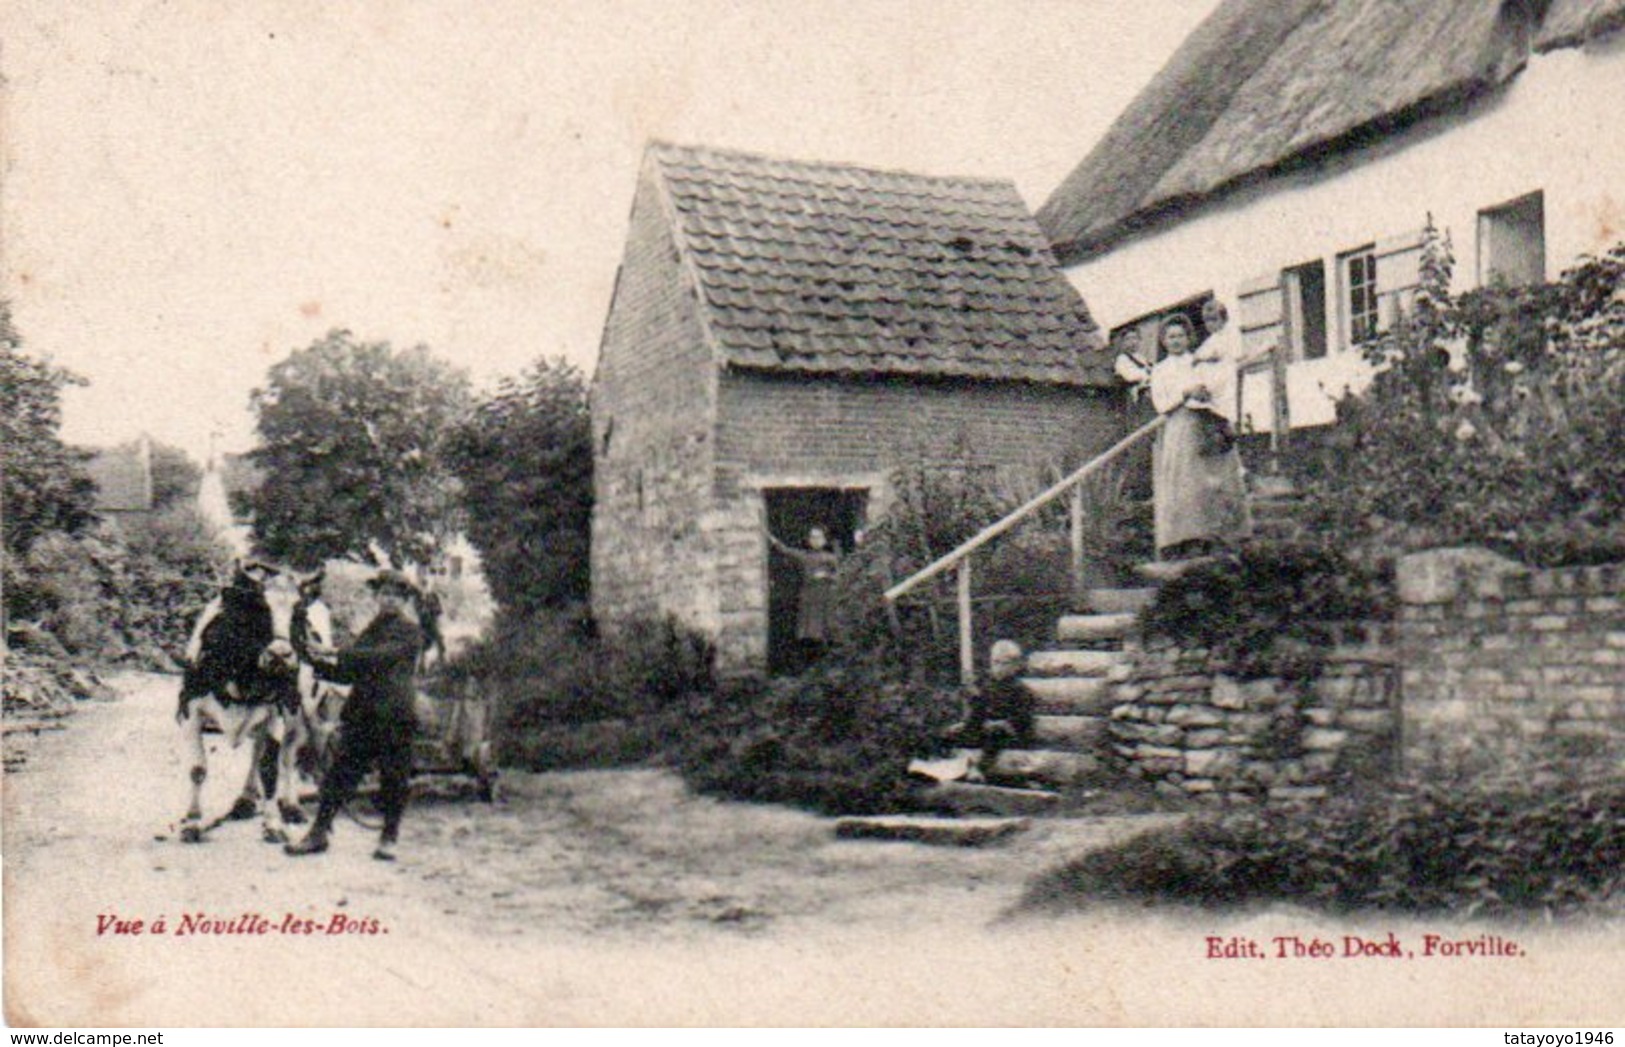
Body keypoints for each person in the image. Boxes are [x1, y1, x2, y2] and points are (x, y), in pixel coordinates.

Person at [284, 569, 426, 861]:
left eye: (395, 596)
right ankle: (319, 834)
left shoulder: (410, 632)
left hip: (395, 717)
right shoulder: (371, 630)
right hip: (364, 715)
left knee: (394, 779)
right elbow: (350, 672)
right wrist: (315, 662)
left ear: (404, 601)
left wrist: (334, 650)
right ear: (376, 597)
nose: (388, 600)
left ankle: (389, 838)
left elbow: (379, 657)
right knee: (339, 776)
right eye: (384, 594)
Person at [1149, 310, 1252, 560]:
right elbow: (1160, 404)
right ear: (1163, 340)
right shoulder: (1160, 370)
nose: (1176, 341)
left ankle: (1218, 535)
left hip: (1206, 423)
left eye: (1181, 336)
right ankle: (1185, 538)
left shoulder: (1200, 360)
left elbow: (1222, 383)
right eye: (1171, 336)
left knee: (1213, 480)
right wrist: (1185, 393)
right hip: (1179, 426)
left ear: (1189, 338)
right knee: (1185, 483)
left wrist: (1208, 391)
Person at [942, 639, 1035, 777]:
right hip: (986, 729)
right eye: (995, 662)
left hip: (1009, 734)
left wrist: (1004, 724)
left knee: (995, 734)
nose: (999, 668)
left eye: (1005, 663)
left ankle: (979, 770)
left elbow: (1022, 719)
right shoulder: (987, 686)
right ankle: (946, 766)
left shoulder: (1021, 690)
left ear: (1016, 666)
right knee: (952, 733)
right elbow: (979, 711)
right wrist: (966, 722)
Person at [765, 522, 842, 666]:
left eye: (818, 537)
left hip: (824, 598)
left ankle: (826, 663)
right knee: (808, 632)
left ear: (825, 540)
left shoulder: (831, 558)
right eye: (812, 537)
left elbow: (840, 577)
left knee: (824, 630)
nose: (815, 540)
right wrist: (770, 537)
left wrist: (825, 575)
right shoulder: (804, 556)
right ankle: (810, 665)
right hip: (808, 597)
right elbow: (785, 550)